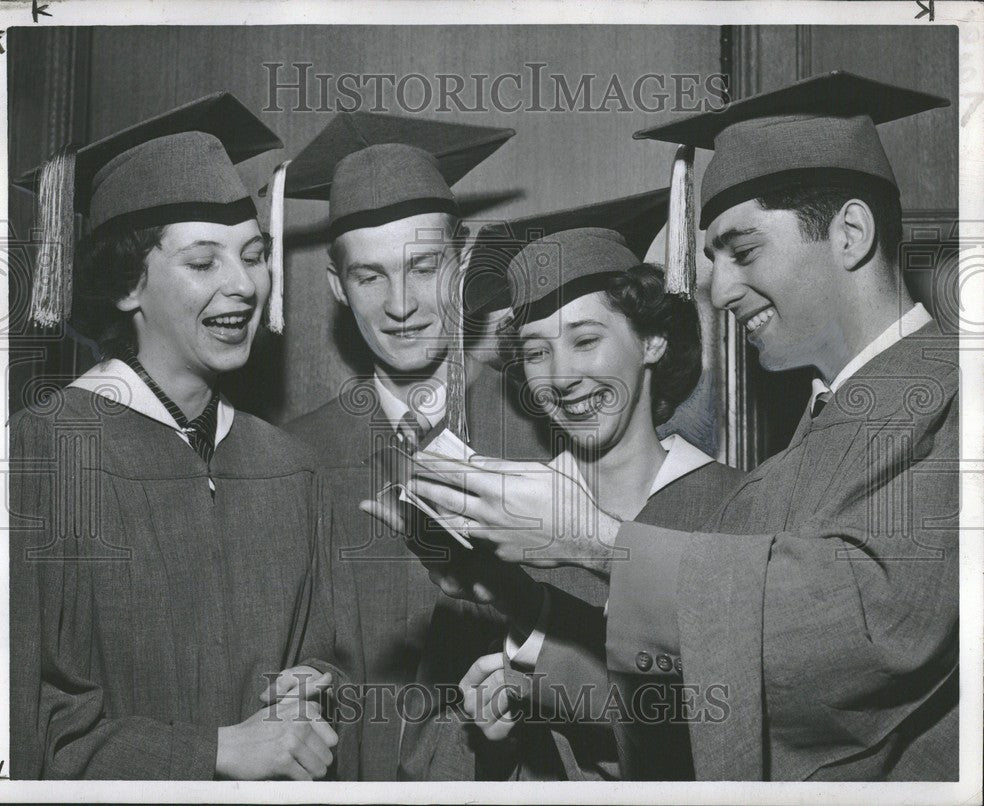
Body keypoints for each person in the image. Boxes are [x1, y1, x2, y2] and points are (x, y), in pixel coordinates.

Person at [403, 71, 959, 781]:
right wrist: (519, 606)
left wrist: (595, 541)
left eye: (743, 250)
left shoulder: (952, 397)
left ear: (850, 233)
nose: (717, 290)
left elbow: (868, 634)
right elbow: (735, 701)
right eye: (713, 257)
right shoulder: (816, 434)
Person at [9, 94, 356, 780]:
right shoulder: (45, 453)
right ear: (128, 287)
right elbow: (22, 727)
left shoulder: (286, 464)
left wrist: (310, 688)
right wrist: (218, 752)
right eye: (204, 262)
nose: (243, 285)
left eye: (253, 256)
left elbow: (322, 654)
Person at [396, 227, 743, 780]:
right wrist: (496, 748)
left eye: (585, 340)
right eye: (536, 351)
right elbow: (430, 764)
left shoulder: (740, 510)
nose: (561, 378)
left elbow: (742, 731)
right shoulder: (498, 517)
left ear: (653, 340)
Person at [276, 111, 558, 780]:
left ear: (462, 263)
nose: (400, 304)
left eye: (424, 266)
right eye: (371, 277)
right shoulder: (293, 458)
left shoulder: (544, 433)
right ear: (338, 289)